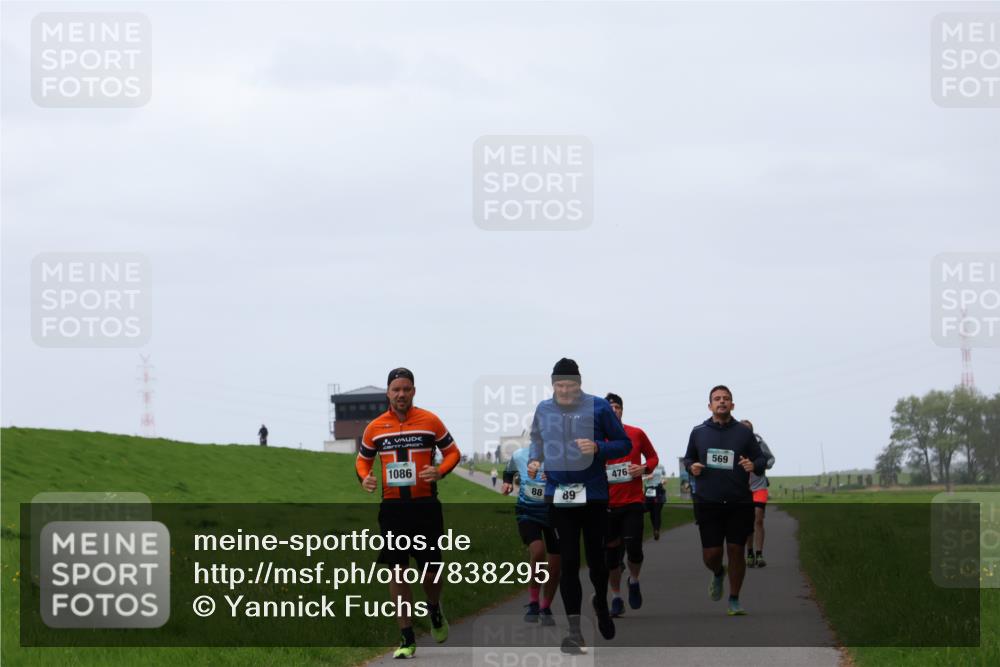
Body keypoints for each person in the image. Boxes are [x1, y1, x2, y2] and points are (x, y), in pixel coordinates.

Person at [526, 358, 632, 654]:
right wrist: (536, 459)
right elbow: (537, 440)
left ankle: (600, 600)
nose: (565, 391)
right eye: (559, 385)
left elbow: (623, 444)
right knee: (568, 563)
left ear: (580, 383)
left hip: (594, 496)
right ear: (552, 384)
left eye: (570, 385)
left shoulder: (599, 407)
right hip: (558, 496)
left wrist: (599, 447)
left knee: (597, 562)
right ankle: (574, 632)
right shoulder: (544, 409)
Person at [355, 367, 462, 659]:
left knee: (431, 571)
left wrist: (439, 471)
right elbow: (362, 461)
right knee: (397, 571)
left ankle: (434, 608)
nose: (401, 394)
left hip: (425, 506)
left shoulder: (430, 421)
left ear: (413, 391)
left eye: (406, 389)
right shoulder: (375, 427)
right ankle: (406, 637)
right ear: (388, 393)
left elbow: (453, 453)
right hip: (392, 509)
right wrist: (365, 478)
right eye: (395, 390)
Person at [682, 385, 766, 617]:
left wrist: (754, 465)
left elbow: (761, 458)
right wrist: (692, 466)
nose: (722, 402)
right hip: (708, 501)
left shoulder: (743, 433)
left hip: (739, 500)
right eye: (717, 399)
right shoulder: (698, 432)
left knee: (737, 550)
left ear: (732, 404)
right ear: (710, 405)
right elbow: (689, 458)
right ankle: (718, 572)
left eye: (726, 399)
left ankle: (734, 598)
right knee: (712, 554)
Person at [603, 393, 659, 618]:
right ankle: (616, 596)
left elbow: (653, 457)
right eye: (610, 408)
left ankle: (634, 581)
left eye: (617, 407)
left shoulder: (636, 433)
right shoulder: (597, 439)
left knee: (634, 548)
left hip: (633, 501)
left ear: (622, 411)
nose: (614, 410)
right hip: (606, 504)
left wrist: (644, 469)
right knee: (612, 556)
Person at [502, 446, 560, 626]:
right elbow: (509, 470)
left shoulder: (562, 455)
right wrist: (507, 482)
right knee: (538, 551)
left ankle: (545, 606)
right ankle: (534, 601)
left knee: (556, 564)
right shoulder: (520, 454)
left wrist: (555, 478)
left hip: (555, 513)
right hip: (527, 512)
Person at [740, 420, 775, 568]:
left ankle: (759, 554)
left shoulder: (760, 444)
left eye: (748, 430)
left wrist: (764, 464)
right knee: (747, 522)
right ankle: (749, 553)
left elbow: (771, 458)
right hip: (742, 489)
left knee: (758, 520)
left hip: (759, 487)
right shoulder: (734, 445)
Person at [643, 464, 667, 540]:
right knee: (652, 512)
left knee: (657, 512)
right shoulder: (644, 466)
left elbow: (664, 476)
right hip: (649, 491)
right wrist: (647, 477)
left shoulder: (660, 466)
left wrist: (664, 480)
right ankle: (655, 529)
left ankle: (656, 530)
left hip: (658, 489)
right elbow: (640, 478)